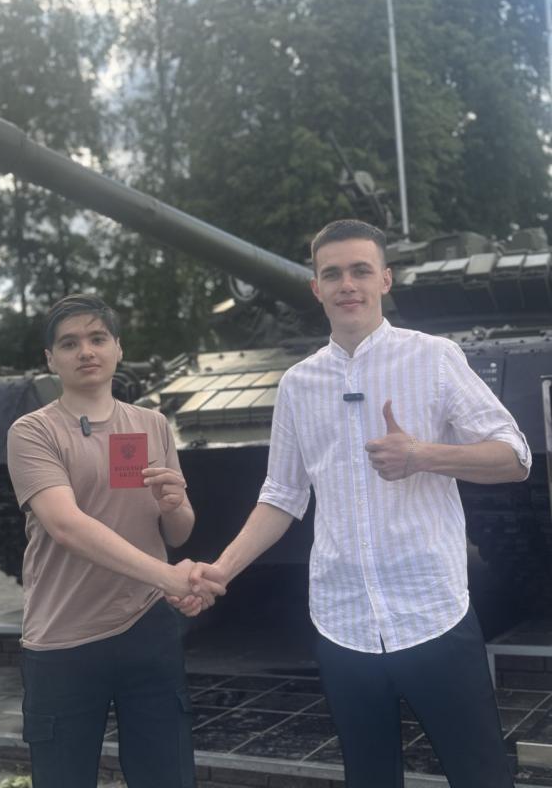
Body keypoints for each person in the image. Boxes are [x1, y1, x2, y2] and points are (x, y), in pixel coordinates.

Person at [175, 219, 530, 788]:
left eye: (361, 270)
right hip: (342, 624)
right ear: (316, 287)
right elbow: (282, 495)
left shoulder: (435, 358)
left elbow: (515, 456)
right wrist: (221, 570)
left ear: (384, 279)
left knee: (480, 774)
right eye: (333, 273)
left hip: (432, 613)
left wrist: (423, 455)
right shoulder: (297, 384)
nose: (348, 284)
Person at [7, 293, 222, 788]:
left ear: (118, 348)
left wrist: (174, 504)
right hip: (64, 635)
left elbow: (178, 530)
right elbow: (66, 526)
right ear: (51, 359)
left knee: (167, 775)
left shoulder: (151, 424)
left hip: (147, 628)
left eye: (97, 338)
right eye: (69, 343)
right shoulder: (33, 432)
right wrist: (170, 576)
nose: (86, 351)